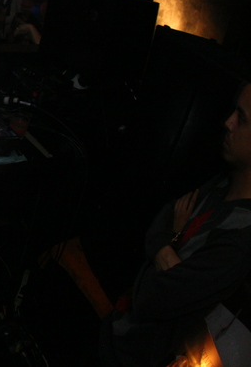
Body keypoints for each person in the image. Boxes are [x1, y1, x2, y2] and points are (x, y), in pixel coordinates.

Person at [101, 82, 251, 366]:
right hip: (118, 327)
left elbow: (151, 297)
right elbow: (163, 219)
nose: (228, 122)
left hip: (133, 354)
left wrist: (170, 240)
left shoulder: (240, 239)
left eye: (241, 118)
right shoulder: (221, 184)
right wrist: (167, 249)